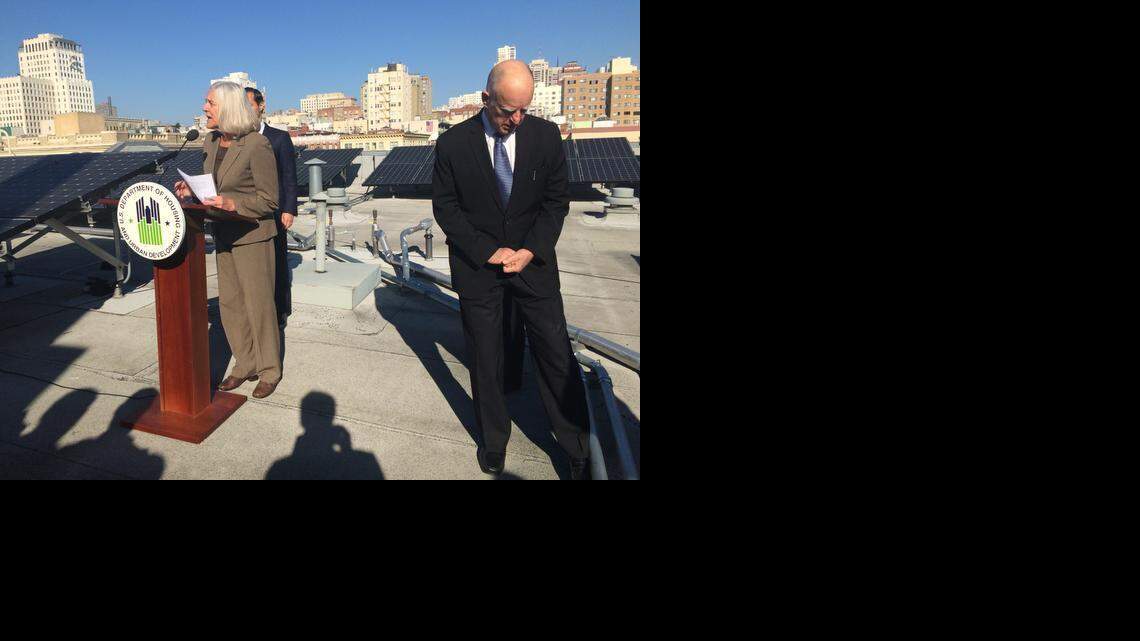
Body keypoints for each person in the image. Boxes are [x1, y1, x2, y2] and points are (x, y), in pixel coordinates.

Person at [432, 60, 592, 479]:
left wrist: (530, 249)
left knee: (555, 352)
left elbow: (556, 202)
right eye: (507, 111)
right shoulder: (452, 145)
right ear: (486, 99)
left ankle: (575, 442)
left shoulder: (545, 136)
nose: (517, 119)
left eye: (524, 109)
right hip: (478, 269)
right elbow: (446, 208)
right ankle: (494, 440)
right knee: (486, 358)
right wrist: (489, 251)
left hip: (533, 265)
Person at [175, 81, 281, 399]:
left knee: (259, 305)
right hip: (222, 232)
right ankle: (245, 363)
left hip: (252, 236)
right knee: (231, 304)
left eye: (210, 103)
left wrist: (234, 204)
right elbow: (213, 186)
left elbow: (269, 200)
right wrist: (191, 191)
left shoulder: (257, 145)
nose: (204, 108)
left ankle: (269, 370)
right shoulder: (210, 141)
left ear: (228, 107)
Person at [245, 87, 298, 328]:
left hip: (275, 211)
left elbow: (289, 176)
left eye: (249, 105)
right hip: (247, 210)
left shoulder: (278, 138)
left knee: (277, 262)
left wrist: (289, 209)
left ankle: (279, 310)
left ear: (261, 106)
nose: (246, 111)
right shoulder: (239, 139)